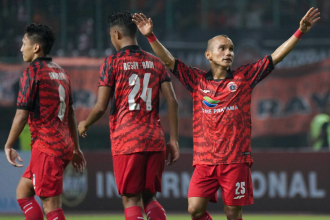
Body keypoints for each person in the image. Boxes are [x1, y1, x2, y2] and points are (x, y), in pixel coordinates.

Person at [133, 7, 320, 220]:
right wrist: (149, 35)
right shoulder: (197, 80)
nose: (228, 53)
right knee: (194, 209)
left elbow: (275, 57)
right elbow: (168, 61)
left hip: (235, 160)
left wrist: (300, 32)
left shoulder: (244, 77)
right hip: (204, 160)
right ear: (208, 55)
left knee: (232, 212)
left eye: (231, 49)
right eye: (222, 48)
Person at [77, 11, 179, 220]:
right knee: (150, 198)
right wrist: (174, 141)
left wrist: (85, 124)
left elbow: (100, 106)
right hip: (155, 138)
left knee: (130, 199)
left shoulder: (112, 63)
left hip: (128, 139)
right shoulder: (156, 62)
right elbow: (173, 102)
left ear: (116, 34)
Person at [4, 23, 86, 220]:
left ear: (36, 48)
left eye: (24, 44)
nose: (21, 48)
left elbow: (22, 114)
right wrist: (75, 148)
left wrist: (8, 145)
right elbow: (72, 114)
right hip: (62, 145)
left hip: (47, 147)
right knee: (23, 192)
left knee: (51, 206)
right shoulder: (62, 73)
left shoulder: (32, 72)